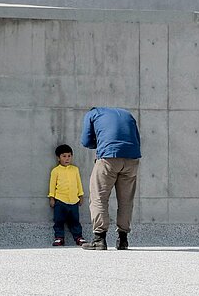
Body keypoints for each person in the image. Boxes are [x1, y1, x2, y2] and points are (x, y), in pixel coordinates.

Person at [80, 107, 141, 250]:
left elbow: (86, 141)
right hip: (132, 158)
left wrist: (102, 142)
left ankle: (99, 239)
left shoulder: (92, 114)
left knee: (99, 197)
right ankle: (123, 240)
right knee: (126, 201)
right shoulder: (127, 114)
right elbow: (136, 138)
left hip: (108, 157)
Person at [48, 144, 85, 246]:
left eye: (69, 156)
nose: (67, 158)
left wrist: (81, 195)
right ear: (58, 158)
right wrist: (52, 197)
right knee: (58, 220)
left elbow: (78, 183)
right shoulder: (55, 171)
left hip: (74, 201)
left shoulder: (75, 169)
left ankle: (78, 237)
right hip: (60, 201)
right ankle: (59, 238)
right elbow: (52, 184)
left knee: (75, 221)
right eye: (64, 156)